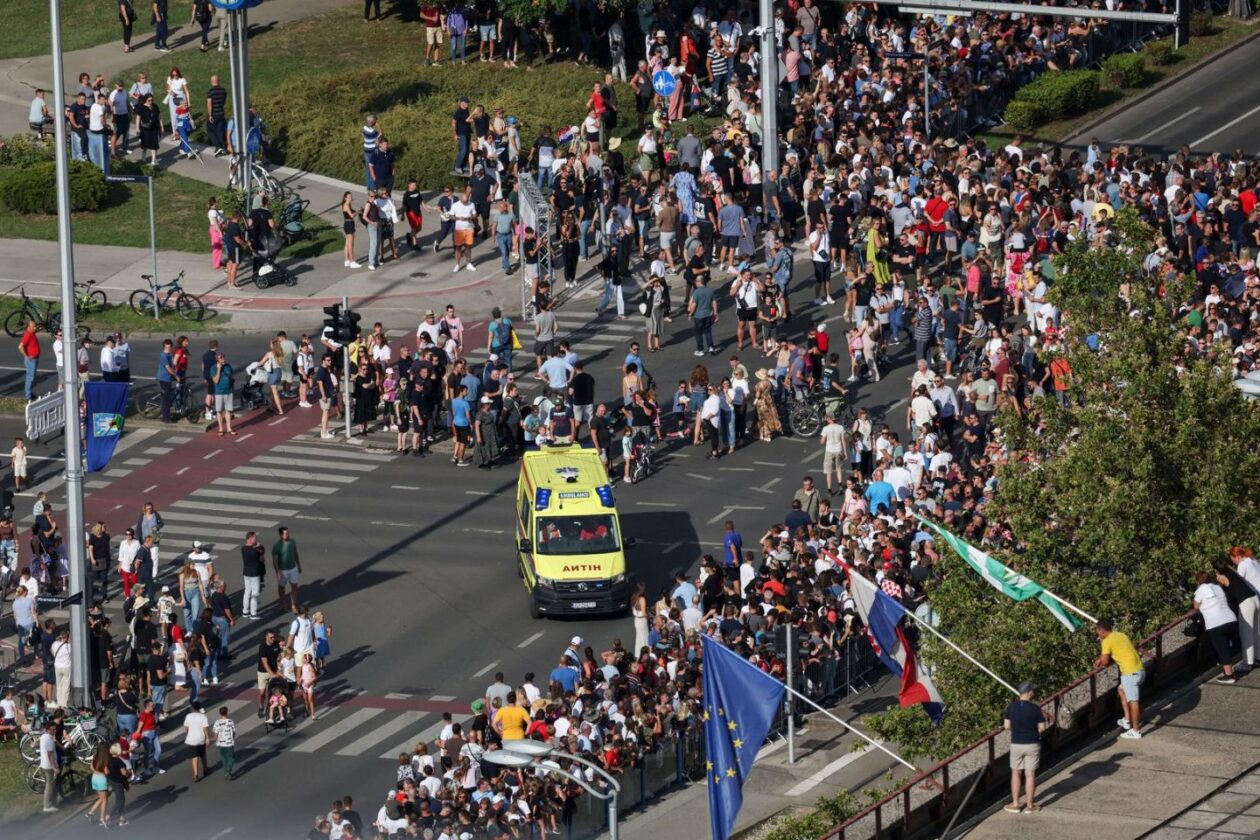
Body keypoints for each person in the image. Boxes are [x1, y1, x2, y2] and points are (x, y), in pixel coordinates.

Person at [1093, 619, 1145, 739]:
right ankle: (1127, 720)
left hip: (1129, 673)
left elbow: (1105, 662)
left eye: (1097, 632)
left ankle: (1136, 731)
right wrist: (1101, 658)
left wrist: (1102, 648)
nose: (1097, 634)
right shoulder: (1121, 634)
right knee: (1121, 690)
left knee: (1134, 702)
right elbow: (1119, 650)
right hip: (1140, 670)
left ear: (1101, 631)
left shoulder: (1106, 641)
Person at [1003, 681, 1049, 814]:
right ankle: (1030, 805)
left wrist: (1017, 730)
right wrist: (1033, 731)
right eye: (1032, 691)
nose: (1033, 693)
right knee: (1030, 774)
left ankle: (1016, 804)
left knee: (1016, 773)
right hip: (1032, 744)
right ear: (1028, 692)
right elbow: (1042, 727)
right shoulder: (1035, 708)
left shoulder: (1011, 707)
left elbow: (1006, 726)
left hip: (1016, 743)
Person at [1194, 570, 1239, 685]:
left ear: (1198, 581)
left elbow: (1196, 606)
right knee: (1230, 645)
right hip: (1231, 619)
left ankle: (1229, 675)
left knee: (1222, 649)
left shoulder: (1200, 590)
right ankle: (1232, 667)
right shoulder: (1217, 587)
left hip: (1215, 623)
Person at [271, 526, 302, 613]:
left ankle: (293, 605)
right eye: (286, 533)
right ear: (281, 535)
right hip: (282, 570)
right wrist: (277, 572)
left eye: (288, 533)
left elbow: (295, 553)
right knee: (281, 587)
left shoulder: (292, 542)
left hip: (293, 568)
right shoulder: (276, 546)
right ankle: (283, 605)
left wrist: (299, 565)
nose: (288, 535)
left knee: (295, 586)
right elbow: (275, 560)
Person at [183, 700, 210, 782]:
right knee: (203, 754)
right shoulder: (203, 716)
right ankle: (205, 769)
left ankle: (196, 774)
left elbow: (186, 728)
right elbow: (205, 728)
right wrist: (207, 737)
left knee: (194, 757)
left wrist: (187, 733)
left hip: (191, 739)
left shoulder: (188, 716)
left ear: (192, 708)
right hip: (200, 738)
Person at [210, 351, 235, 436]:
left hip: (229, 391)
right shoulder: (213, 368)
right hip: (219, 392)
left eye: (223, 357)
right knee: (219, 411)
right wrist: (219, 369)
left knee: (228, 410)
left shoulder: (228, 366)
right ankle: (220, 428)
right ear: (217, 360)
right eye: (221, 358)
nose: (223, 359)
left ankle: (229, 428)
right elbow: (216, 381)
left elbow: (231, 376)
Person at [213, 705, 236, 780]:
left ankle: (226, 771)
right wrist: (232, 738)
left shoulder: (217, 722)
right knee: (231, 758)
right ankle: (228, 771)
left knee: (224, 758)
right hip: (229, 743)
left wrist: (216, 741)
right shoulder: (230, 721)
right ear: (227, 712)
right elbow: (233, 732)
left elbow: (216, 733)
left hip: (220, 743)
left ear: (220, 713)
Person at [18, 319, 39, 402]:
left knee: (31, 377)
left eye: (35, 326)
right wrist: (26, 356)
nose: (35, 328)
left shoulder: (32, 333)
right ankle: (28, 395)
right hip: (31, 360)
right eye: (33, 327)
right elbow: (20, 347)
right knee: (30, 377)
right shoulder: (28, 335)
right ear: (28, 327)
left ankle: (29, 393)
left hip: (34, 359)